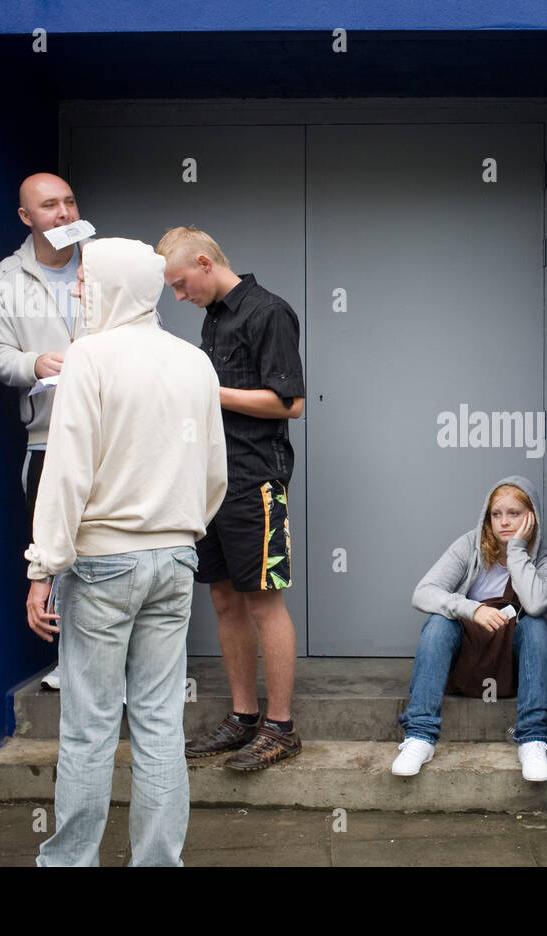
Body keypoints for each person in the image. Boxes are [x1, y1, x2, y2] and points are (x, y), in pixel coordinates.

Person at [24, 237, 226, 866]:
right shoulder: (195, 361)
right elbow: (214, 472)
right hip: (174, 558)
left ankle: (70, 863)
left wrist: (43, 568)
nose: (79, 290)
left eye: (86, 280)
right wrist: (178, 530)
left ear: (113, 285)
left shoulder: (90, 357)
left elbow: (66, 473)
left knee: (88, 729)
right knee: (161, 725)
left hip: (103, 561)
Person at [157, 227, 306, 771]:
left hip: (255, 479)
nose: (178, 296)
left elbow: (290, 403)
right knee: (223, 599)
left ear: (203, 261)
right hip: (210, 481)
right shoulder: (214, 316)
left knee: (264, 599)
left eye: (180, 284)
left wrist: (205, 390)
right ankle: (243, 718)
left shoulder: (269, 311)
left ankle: (282, 728)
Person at [0, 173, 87, 691]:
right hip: (47, 436)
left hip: (110, 436)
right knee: (55, 547)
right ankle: (72, 665)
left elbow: (146, 330)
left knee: (110, 548)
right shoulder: (6, 276)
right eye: (50, 205)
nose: (64, 213)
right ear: (27, 217)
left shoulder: (102, 262)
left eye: (69, 201)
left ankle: (121, 663)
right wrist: (34, 362)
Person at [394, 476, 547, 782]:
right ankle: (420, 736)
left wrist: (518, 551)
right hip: (471, 653)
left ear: (531, 516)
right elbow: (423, 592)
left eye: (515, 514)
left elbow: (536, 605)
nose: (504, 522)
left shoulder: (546, 557)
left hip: (509, 660)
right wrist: (473, 608)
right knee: (438, 623)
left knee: (535, 626)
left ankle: (533, 739)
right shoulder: (471, 545)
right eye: (497, 514)